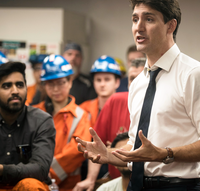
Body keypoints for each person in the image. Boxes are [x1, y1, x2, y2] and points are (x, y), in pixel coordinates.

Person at [76, 0, 200, 191]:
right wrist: (109, 155)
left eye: (149, 19)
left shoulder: (194, 74)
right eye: (135, 19)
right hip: (135, 185)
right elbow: (135, 150)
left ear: (170, 26)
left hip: (178, 187)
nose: (138, 27)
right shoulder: (138, 82)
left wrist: (165, 153)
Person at [73, 58, 146, 191]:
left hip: (148, 182)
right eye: (132, 79)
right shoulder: (115, 101)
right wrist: (90, 179)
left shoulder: (162, 108)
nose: (135, 83)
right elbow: (97, 147)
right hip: (116, 181)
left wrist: (112, 149)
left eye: (141, 78)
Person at [33, 54, 91, 191]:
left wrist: (46, 174)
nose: (56, 89)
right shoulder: (34, 112)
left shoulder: (81, 115)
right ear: (44, 85)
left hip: (69, 186)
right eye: (50, 84)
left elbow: (76, 151)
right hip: (35, 183)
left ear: (70, 82)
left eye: (60, 83)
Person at [0, 61, 55, 190]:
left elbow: (40, 169)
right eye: (7, 86)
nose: (15, 91)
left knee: (31, 185)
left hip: (25, 187)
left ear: (26, 87)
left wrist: (2, 170)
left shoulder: (42, 121)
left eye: (19, 85)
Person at [80, 55, 121, 128]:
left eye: (107, 79)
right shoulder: (83, 109)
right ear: (93, 83)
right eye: (98, 80)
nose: (102, 84)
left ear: (117, 82)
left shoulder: (127, 109)